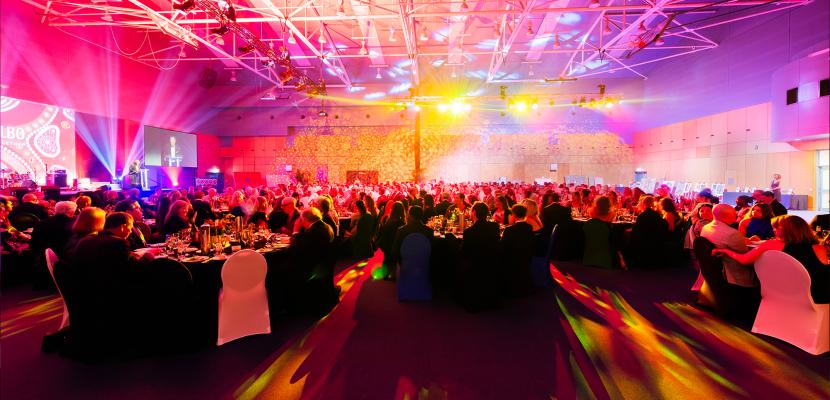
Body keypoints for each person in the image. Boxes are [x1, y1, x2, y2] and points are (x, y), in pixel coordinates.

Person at [70, 212, 155, 355]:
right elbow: (135, 271)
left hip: (86, 291)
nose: (130, 231)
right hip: (111, 293)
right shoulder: (117, 243)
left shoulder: (88, 240)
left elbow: (115, 263)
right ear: (122, 227)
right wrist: (148, 256)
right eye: (129, 227)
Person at [713, 215, 828, 303]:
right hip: (816, 294)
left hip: (781, 291)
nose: (774, 230)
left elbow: (744, 260)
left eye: (776, 227)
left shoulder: (771, 245)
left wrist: (727, 251)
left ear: (786, 230)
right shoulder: (819, 248)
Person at [289, 208, 337, 312]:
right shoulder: (322, 225)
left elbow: (298, 248)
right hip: (324, 261)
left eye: (301, 220)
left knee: (290, 268)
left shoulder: (315, 230)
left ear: (305, 219)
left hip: (315, 264)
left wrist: (296, 231)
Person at [459, 202, 501, 312]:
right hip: (492, 262)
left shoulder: (469, 231)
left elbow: (464, 252)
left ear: (474, 213)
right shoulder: (495, 227)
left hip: (475, 265)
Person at [701, 204, 754, 287]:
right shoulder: (732, 234)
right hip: (734, 275)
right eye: (734, 214)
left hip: (714, 272)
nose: (736, 216)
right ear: (727, 216)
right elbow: (747, 260)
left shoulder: (705, 228)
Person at [500, 204, 534, 297]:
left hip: (511, 259)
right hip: (525, 256)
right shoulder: (529, 227)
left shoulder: (509, 230)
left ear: (514, 215)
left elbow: (503, 246)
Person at [376, 201, 406, 280]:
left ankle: (386, 273)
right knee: (394, 258)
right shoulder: (401, 222)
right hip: (395, 245)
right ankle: (393, 273)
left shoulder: (388, 219)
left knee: (387, 259)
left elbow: (383, 232)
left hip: (386, 244)